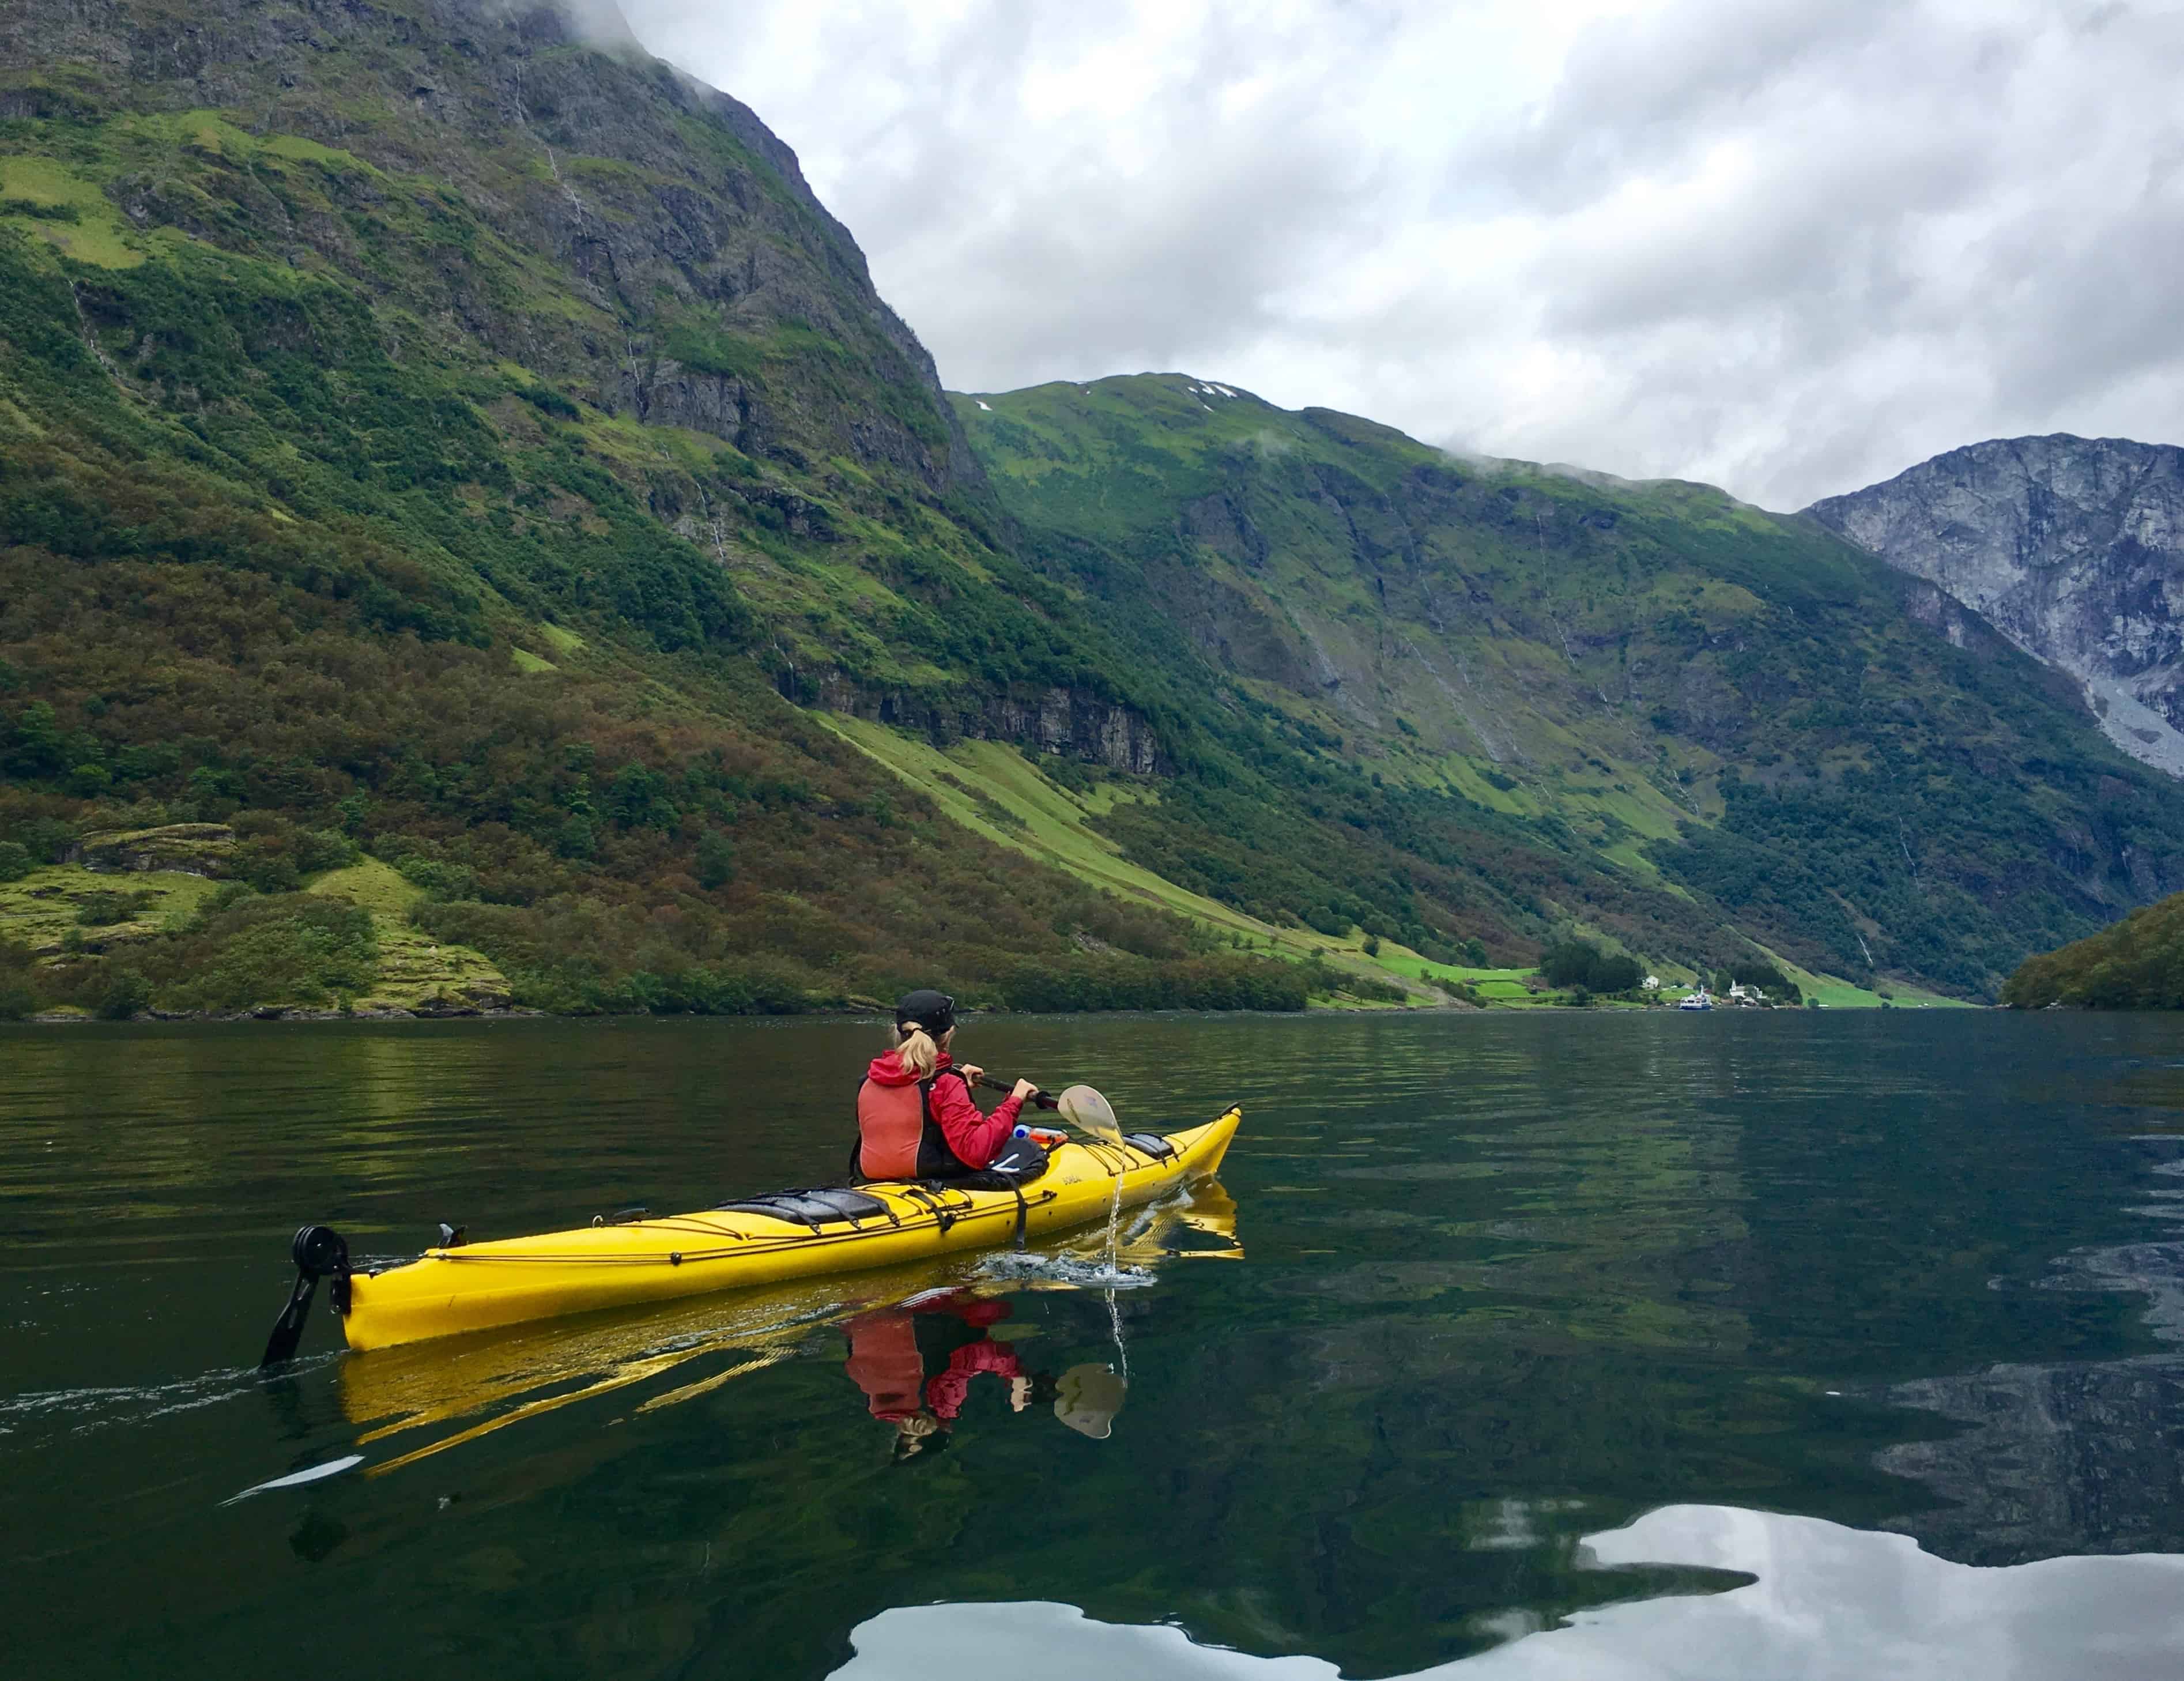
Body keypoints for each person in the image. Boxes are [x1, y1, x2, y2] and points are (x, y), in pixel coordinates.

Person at [854, 989, 1038, 1182]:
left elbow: (904, 1117)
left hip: (873, 1184)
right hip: (931, 1183)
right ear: (948, 1034)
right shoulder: (945, 1084)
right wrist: (1014, 1101)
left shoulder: (869, 1079)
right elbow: (976, 1153)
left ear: (899, 1033)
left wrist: (957, 1080)